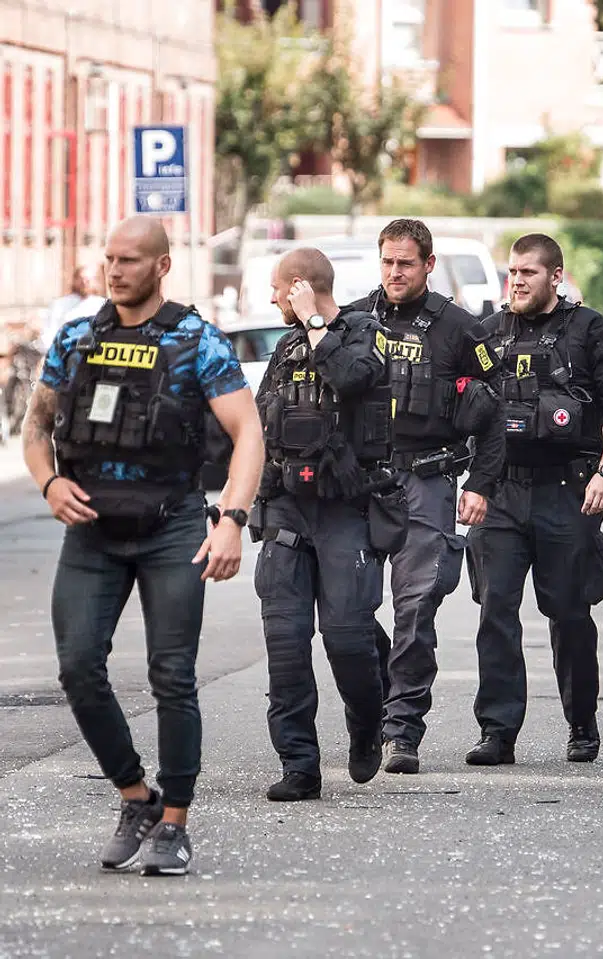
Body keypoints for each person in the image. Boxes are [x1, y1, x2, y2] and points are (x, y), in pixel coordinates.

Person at [21, 217, 264, 875]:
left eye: (130, 259)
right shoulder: (75, 338)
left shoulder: (196, 340)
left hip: (171, 527)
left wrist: (233, 520)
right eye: (109, 259)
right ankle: (136, 795)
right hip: (92, 530)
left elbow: (248, 431)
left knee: (171, 675)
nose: (115, 269)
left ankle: (175, 822)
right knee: (77, 668)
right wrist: (47, 483)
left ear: (161, 267)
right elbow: (36, 426)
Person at [465, 233, 603, 766]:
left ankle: (582, 724)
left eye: (528, 273)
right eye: (512, 273)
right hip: (501, 491)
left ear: (555, 276)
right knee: (495, 610)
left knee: (569, 612)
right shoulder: (487, 333)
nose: (516, 281)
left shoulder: (591, 330)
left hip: (569, 490)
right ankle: (498, 732)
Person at [349, 219, 506, 775]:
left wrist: (483, 485)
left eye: (406, 263)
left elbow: (494, 417)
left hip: (428, 483)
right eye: (388, 262)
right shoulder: (354, 322)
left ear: (428, 265)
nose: (395, 272)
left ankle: (401, 730)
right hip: (363, 484)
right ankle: (382, 693)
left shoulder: (461, 331)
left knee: (417, 607)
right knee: (348, 606)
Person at [252, 247, 396, 802]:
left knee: (347, 637)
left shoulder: (365, 332)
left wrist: (316, 320)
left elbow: (355, 378)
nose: (271, 300)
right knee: (285, 643)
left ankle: (367, 721)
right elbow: (263, 422)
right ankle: (299, 765)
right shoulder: (286, 348)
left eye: (276, 290)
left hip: (346, 506)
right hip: (289, 508)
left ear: (298, 287)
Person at [41, 264, 105, 351]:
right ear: (74, 280)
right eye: (81, 278)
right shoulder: (60, 304)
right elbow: (50, 332)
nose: (84, 282)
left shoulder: (102, 305)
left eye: (88, 279)